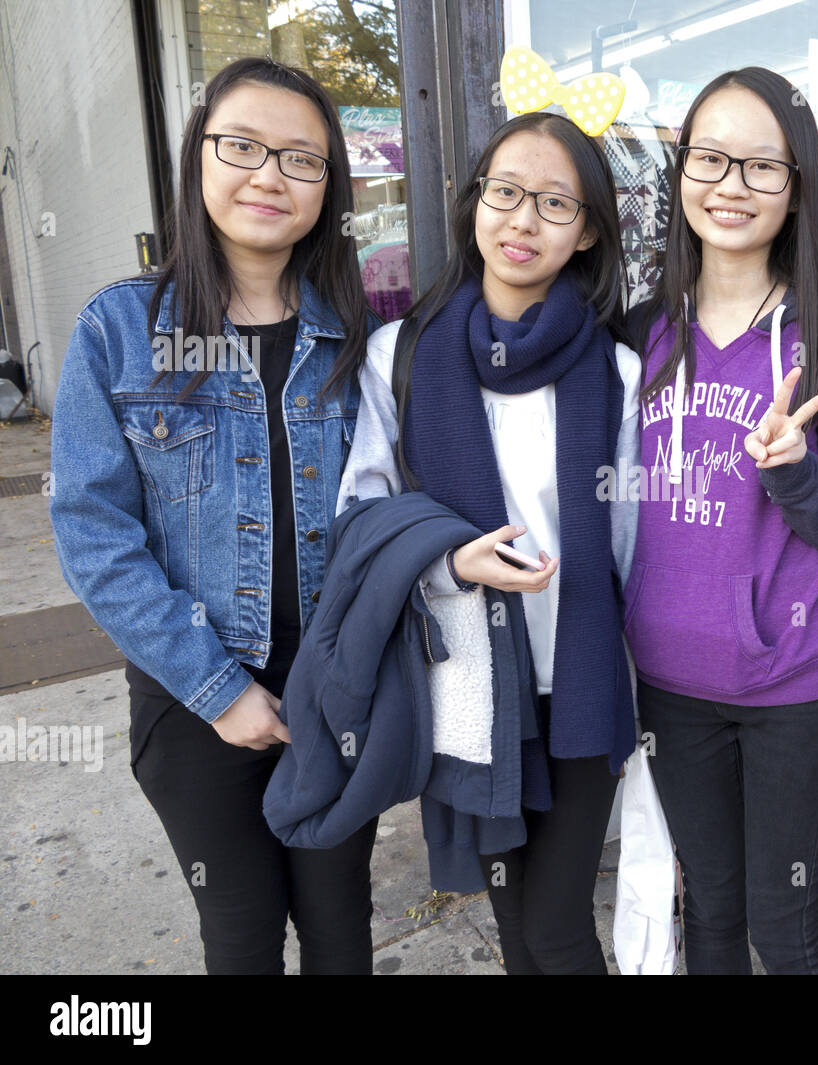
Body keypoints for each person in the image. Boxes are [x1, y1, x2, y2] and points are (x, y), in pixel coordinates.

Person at [48, 57, 380, 974]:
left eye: (300, 159)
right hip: (192, 699)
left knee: (341, 931)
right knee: (239, 939)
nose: (269, 175)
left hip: (331, 692)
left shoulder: (357, 334)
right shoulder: (121, 329)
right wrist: (219, 690)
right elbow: (92, 531)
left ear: (329, 186)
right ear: (199, 157)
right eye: (243, 146)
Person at [337, 111, 639, 974]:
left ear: (586, 232)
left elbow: (631, 542)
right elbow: (361, 514)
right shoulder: (402, 355)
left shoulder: (614, 372)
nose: (523, 220)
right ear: (474, 205)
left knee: (557, 925)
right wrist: (446, 560)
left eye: (554, 203)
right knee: (513, 927)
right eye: (505, 193)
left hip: (578, 688)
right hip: (469, 689)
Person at [625, 67, 818, 974]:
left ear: (799, 184)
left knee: (786, 921)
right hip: (667, 681)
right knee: (713, 914)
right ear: (681, 170)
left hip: (793, 684)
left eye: (761, 166)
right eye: (711, 158)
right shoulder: (637, 333)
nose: (731, 185)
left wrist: (798, 477)